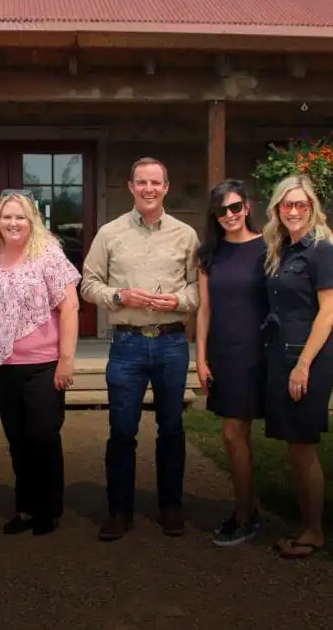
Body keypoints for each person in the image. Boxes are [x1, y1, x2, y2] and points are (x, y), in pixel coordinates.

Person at [80, 157, 199, 541]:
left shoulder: (186, 235)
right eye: (141, 182)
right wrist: (119, 294)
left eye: (156, 182)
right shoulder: (110, 233)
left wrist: (179, 301)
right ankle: (119, 510)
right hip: (127, 345)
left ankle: (171, 506)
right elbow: (88, 283)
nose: (149, 189)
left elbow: (199, 289)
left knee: (172, 428)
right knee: (122, 431)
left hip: (171, 342)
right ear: (130, 187)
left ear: (166, 187)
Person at [0, 190, 81, 537]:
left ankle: (48, 509)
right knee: (18, 439)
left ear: (32, 220)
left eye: (20, 216)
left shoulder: (48, 254)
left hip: (44, 363)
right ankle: (25, 507)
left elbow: (70, 307)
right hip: (5, 365)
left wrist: (66, 360)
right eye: (7, 217)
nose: (13, 223)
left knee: (43, 437)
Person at [263, 176, 333, 560]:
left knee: (303, 445)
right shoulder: (284, 248)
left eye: (301, 205)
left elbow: (329, 312)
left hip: (308, 356)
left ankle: (314, 531)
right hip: (283, 351)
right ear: (277, 209)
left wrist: (303, 365)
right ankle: (306, 524)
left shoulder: (321, 251)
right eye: (287, 205)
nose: (294, 211)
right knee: (294, 446)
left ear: (312, 208)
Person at [195, 179, 268, 547]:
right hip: (226, 353)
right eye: (222, 210)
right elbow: (204, 310)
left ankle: (249, 513)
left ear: (247, 207)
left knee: (245, 434)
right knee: (233, 434)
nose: (230, 216)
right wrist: (201, 357)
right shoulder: (210, 253)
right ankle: (245, 512)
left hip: (261, 351)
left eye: (235, 207)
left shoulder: (269, 248)